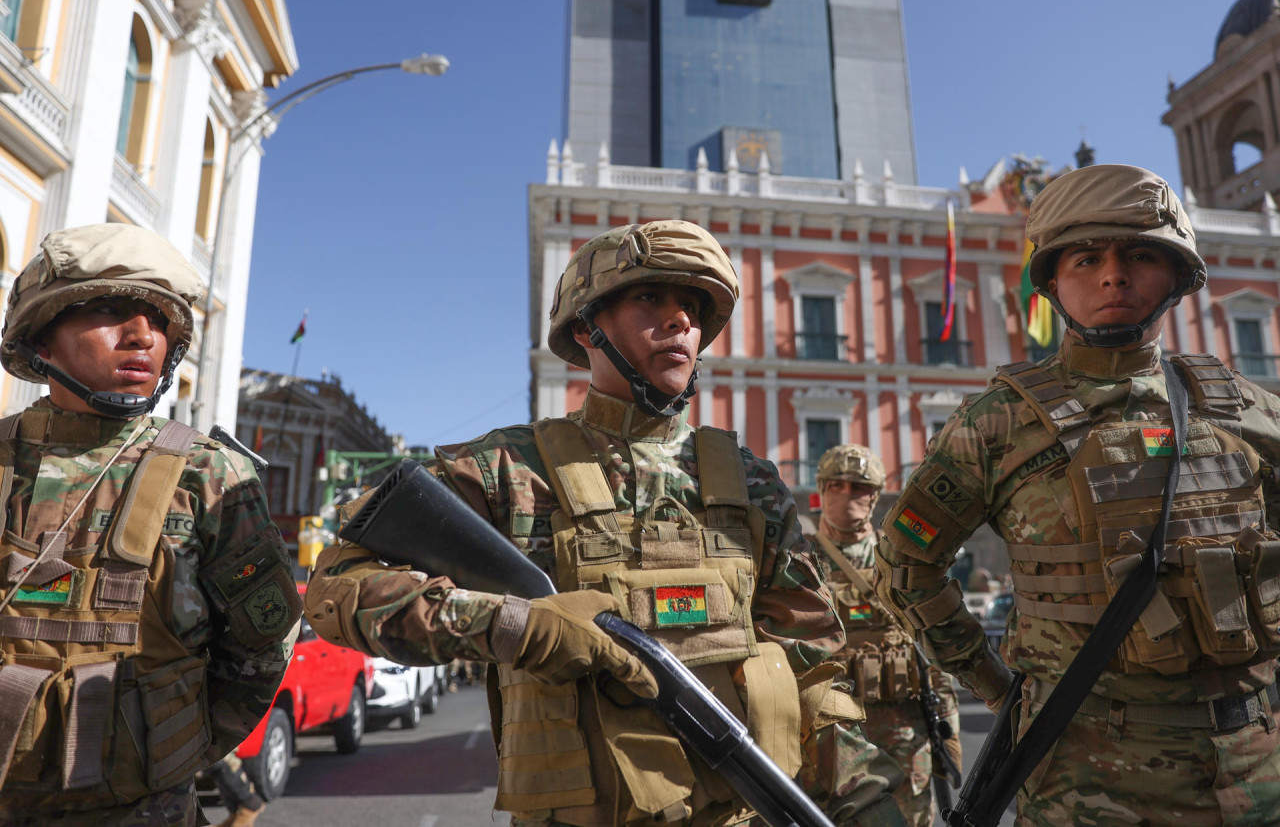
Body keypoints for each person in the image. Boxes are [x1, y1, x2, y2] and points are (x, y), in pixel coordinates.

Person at [306, 219, 905, 826]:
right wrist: (516, 626)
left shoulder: (750, 484)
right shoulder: (509, 469)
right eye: (650, 298)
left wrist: (868, 794)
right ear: (585, 327)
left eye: (692, 307)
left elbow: (810, 669)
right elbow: (336, 588)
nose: (679, 322)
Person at [874, 164, 1280, 825]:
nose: (1113, 275)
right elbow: (905, 564)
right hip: (1082, 783)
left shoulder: (1255, 416)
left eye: (1140, 255)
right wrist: (995, 686)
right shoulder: (996, 425)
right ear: (1053, 283)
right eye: (1087, 257)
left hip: (1257, 774)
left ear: (1176, 274)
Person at [0, 224, 301, 826]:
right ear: (42, 339)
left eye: (159, 321)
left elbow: (261, 648)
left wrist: (168, 754)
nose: (142, 335)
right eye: (111, 310)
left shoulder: (207, 476)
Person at [808, 444, 960, 827]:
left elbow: (929, 640)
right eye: (837, 485)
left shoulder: (898, 558)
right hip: (829, 733)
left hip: (903, 730)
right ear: (822, 489)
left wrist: (949, 722)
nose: (847, 495)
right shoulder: (799, 558)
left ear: (875, 494)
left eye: (858, 487)